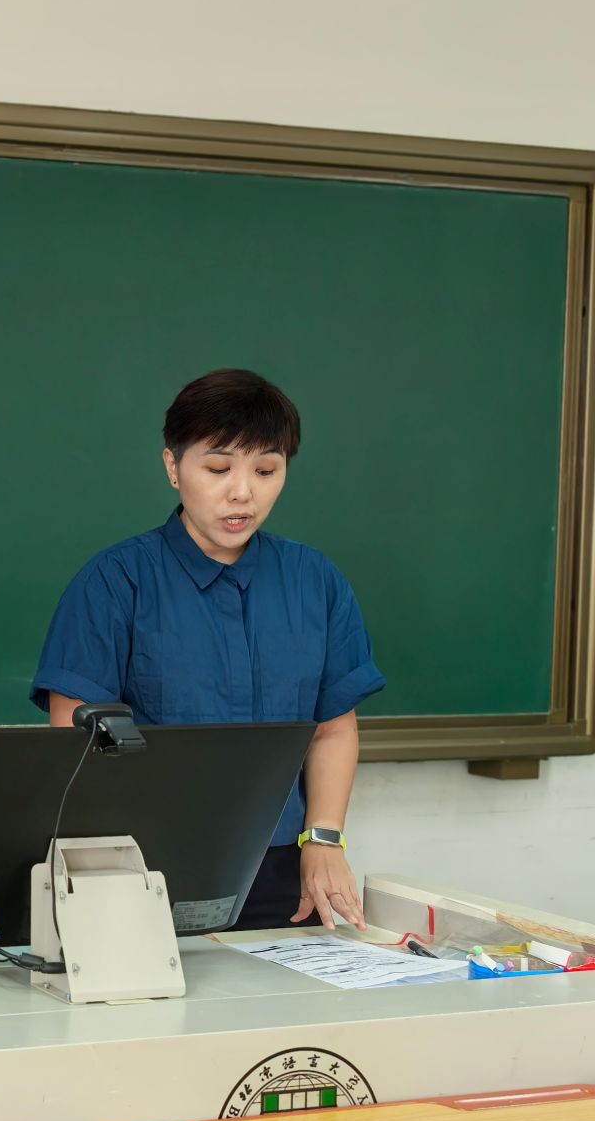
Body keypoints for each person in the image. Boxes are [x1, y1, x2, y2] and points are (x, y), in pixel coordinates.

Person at [30, 369, 386, 933]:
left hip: (281, 870)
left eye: (266, 470)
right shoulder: (115, 582)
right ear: (173, 467)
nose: (242, 493)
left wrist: (323, 840)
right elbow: (76, 745)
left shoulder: (315, 581)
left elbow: (332, 730)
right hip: (141, 867)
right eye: (218, 469)